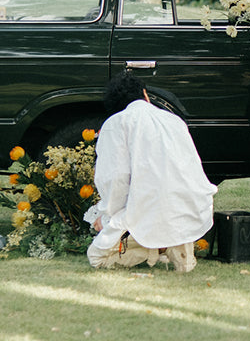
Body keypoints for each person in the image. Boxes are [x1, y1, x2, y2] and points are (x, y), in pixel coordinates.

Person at [86, 71, 218, 272]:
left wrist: (106, 218)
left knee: (96, 258)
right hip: (192, 206)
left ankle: (156, 250)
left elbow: (115, 180)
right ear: (145, 95)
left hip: (152, 207)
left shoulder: (116, 123)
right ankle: (175, 246)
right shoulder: (173, 120)